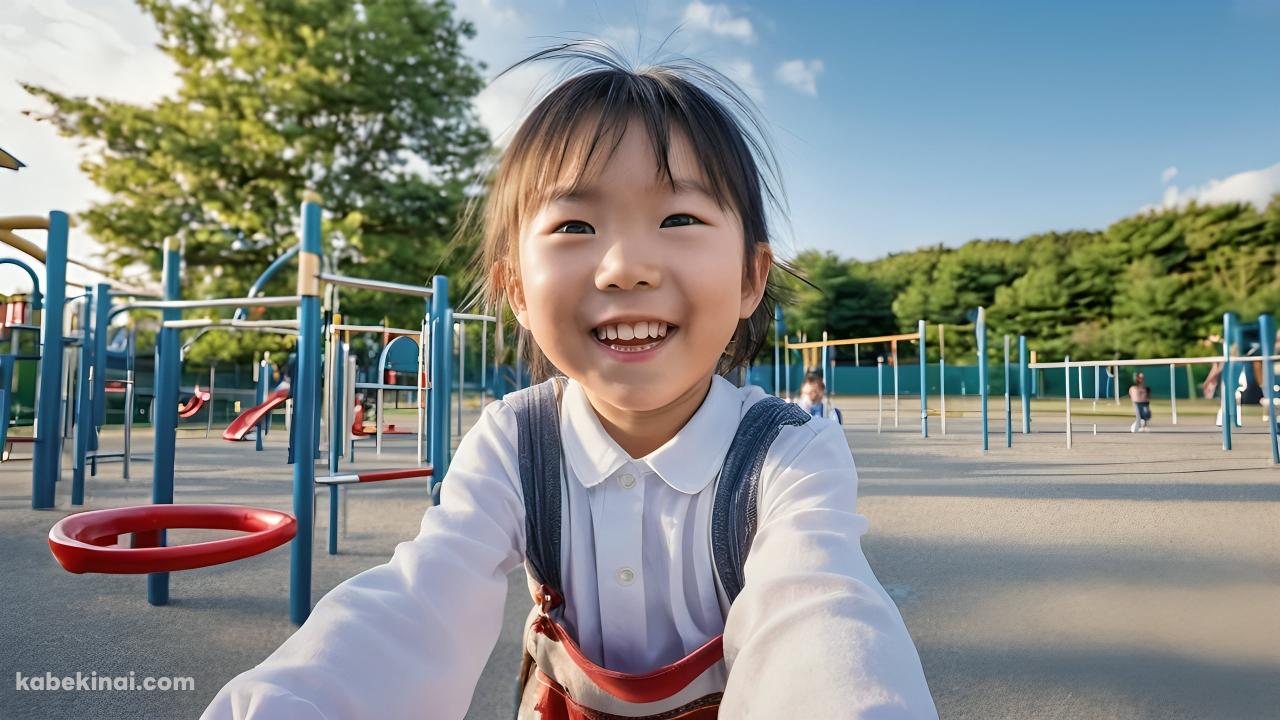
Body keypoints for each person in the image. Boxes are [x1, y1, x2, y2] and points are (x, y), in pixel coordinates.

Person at [204, 43, 937, 719]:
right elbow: (416, 605)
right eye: (575, 227)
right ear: (516, 289)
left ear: (752, 276)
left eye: (679, 216)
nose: (625, 266)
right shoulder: (515, 442)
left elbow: (820, 624)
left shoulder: (788, 453)